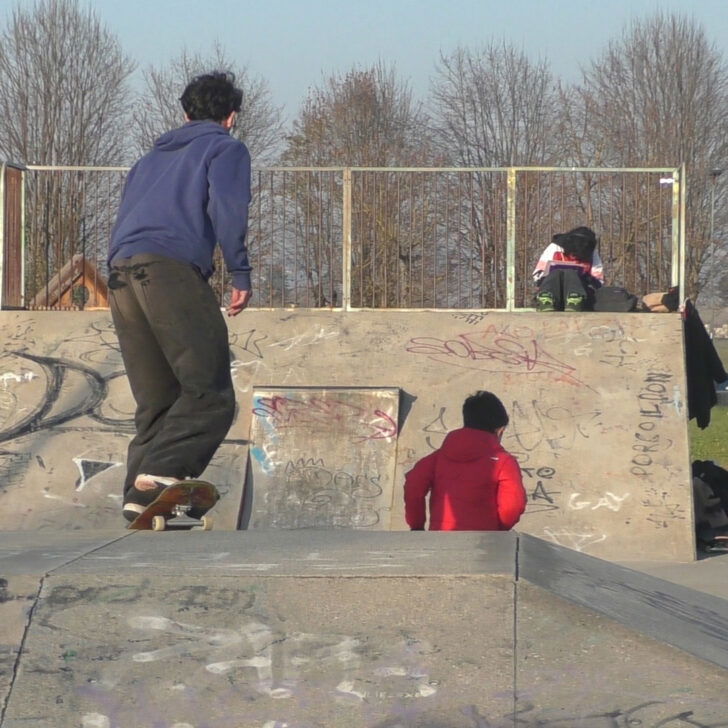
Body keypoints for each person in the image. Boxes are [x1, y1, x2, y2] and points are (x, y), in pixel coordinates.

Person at [107, 71, 252, 522]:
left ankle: (138, 496)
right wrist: (240, 272)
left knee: (158, 399)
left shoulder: (148, 160)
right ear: (230, 118)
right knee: (210, 391)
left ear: (185, 113)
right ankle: (166, 471)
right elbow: (227, 209)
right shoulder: (225, 148)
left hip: (121, 274)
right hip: (170, 272)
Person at [404, 391, 527, 531]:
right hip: (484, 543)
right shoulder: (504, 462)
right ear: (499, 430)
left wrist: (417, 526)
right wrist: (498, 529)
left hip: (440, 542)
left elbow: (413, 488)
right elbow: (513, 505)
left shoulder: (437, 458)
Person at [532, 226, 604, 312]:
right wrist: (543, 278)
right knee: (556, 273)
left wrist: (587, 278)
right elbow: (538, 272)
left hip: (581, 289)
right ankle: (546, 298)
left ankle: (575, 298)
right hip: (554, 287)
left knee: (571, 273)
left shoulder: (592, 252)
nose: (574, 257)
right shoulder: (555, 247)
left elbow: (599, 280)